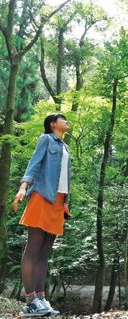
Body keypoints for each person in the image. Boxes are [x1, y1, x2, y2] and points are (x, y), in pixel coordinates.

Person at [13, 113, 72, 317]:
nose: (66, 121)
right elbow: (34, 164)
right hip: (42, 197)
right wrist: (23, 187)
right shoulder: (46, 139)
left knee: (45, 253)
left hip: (58, 202)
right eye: (62, 119)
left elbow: (64, 178)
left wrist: (64, 203)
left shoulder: (65, 147)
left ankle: (41, 298)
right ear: (53, 124)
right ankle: (30, 301)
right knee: (33, 249)